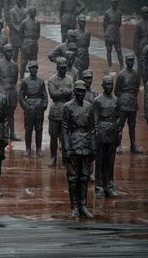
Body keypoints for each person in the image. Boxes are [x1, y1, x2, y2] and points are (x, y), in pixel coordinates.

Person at [62, 80, 95, 219]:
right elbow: (64, 129)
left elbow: (92, 129)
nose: (81, 93)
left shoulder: (89, 106)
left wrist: (93, 147)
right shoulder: (67, 107)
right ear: (74, 92)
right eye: (79, 91)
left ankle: (83, 205)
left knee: (84, 177)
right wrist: (67, 148)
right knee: (73, 178)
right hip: (74, 144)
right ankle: (74, 206)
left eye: (83, 91)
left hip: (86, 145)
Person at [93, 76, 120, 198]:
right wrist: (97, 135)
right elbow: (95, 120)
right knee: (100, 161)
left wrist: (118, 132)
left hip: (112, 132)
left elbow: (118, 117)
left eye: (111, 84)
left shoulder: (116, 100)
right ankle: (99, 187)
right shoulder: (98, 100)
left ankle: (109, 186)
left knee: (110, 162)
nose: (109, 86)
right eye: (107, 84)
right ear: (103, 86)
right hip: (102, 132)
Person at [47, 57, 74, 167]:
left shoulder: (70, 79)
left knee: (65, 136)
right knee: (53, 136)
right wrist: (65, 91)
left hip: (66, 110)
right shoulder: (52, 79)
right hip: (55, 110)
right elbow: (53, 95)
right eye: (61, 68)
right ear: (57, 67)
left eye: (65, 68)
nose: (63, 70)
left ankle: (64, 157)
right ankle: (53, 157)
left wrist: (62, 91)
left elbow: (72, 93)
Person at [115, 53, 142, 154]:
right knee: (120, 125)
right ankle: (118, 145)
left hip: (132, 104)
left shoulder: (136, 74)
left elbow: (136, 89)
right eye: (129, 60)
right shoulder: (121, 75)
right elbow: (117, 91)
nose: (131, 62)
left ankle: (133, 144)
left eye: (132, 60)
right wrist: (123, 99)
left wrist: (131, 98)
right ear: (126, 61)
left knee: (132, 125)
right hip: (123, 104)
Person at [19, 61, 47, 157]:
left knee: (39, 129)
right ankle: (28, 148)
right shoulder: (25, 81)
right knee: (28, 129)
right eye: (31, 68)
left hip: (38, 108)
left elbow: (45, 95)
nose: (33, 70)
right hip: (29, 107)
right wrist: (25, 106)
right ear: (29, 69)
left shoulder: (41, 81)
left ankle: (39, 148)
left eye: (35, 68)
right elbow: (21, 96)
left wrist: (44, 105)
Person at [0, 44, 20, 141]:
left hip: (12, 92)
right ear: (4, 52)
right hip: (2, 91)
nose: (9, 53)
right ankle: (1, 133)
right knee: (1, 114)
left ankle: (12, 133)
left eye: (11, 51)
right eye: (7, 51)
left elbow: (15, 79)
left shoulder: (14, 65)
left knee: (11, 114)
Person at [133, 6, 148, 81]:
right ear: (142, 14)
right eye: (145, 12)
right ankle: (138, 83)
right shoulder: (138, 24)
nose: (146, 14)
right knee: (140, 66)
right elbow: (136, 38)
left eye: (147, 12)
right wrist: (136, 49)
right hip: (141, 48)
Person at [103, 0, 123, 73]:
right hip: (109, 33)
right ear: (111, 3)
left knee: (119, 50)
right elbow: (104, 24)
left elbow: (119, 23)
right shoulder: (107, 13)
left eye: (116, 2)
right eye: (114, 2)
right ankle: (110, 66)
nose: (115, 4)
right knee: (109, 50)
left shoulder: (119, 13)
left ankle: (122, 65)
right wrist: (106, 33)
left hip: (116, 33)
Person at [19, 6, 40, 80]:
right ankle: (21, 78)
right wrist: (25, 41)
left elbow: (38, 34)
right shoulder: (24, 22)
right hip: (26, 44)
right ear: (29, 12)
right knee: (23, 62)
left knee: (34, 62)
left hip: (34, 43)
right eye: (33, 11)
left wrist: (34, 40)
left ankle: (33, 77)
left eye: (35, 11)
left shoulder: (37, 22)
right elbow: (20, 33)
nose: (34, 13)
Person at [8, 0, 25, 64]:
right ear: (17, 2)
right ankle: (13, 63)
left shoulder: (25, 10)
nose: (21, 2)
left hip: (22, 33)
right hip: (14, 33)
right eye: (19, 1)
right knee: (15, 50)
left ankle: (24, 64)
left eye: (22, 1)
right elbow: (12, 23)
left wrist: (23, 30)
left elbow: (26, 21)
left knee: (23, 50)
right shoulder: (12, 11)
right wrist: (19, 29)